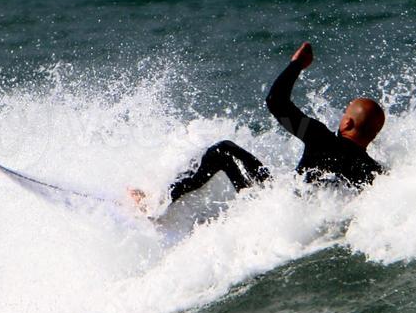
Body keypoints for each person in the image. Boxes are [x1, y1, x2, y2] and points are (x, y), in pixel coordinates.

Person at [131, 43, 385, 212]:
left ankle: (155, 204)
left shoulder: (322, 138)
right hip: (300, 219)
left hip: (277, 210)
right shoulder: (374, 172)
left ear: (348, 122)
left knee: (224, 151)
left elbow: (276, 102)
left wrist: (296, 64)